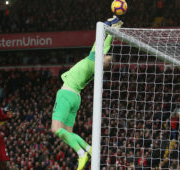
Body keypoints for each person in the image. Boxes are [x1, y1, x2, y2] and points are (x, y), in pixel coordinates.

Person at [51, 16, 123, 170]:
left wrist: (109, 24)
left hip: (66, 94)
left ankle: (81, 154)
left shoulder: (94, 61)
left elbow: (100, 39)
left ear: (103, 61)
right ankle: (89, 150)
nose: (105, 54)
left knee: (55, 129)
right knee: (67, 132)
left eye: (106, 56)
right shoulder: (98, 68)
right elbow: (105, 43)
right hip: (76, 97)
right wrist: (112, 32)